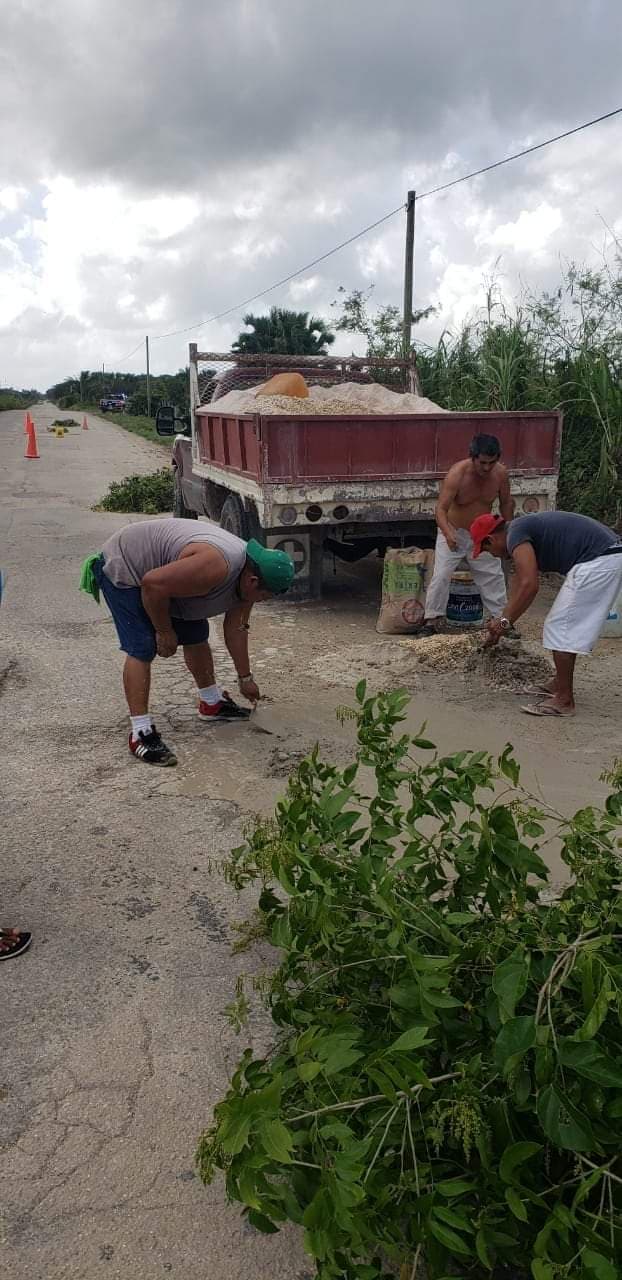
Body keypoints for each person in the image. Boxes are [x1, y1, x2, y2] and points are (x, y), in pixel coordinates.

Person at [80, 519, 294, 765]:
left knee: (196, 632)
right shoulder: (216, 565)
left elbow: (236, 629)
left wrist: (245, 679)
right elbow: (153, 584)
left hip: (166, 576)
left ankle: (211, 703)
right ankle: (140, 732)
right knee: (142, 645)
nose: (263, 601)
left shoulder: (251, 572)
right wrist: (164, 631)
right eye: (265, 596)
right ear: (253, 582)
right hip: (127, 566)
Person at [470, 509, 622, 717]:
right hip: (606, 554)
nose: (494, 555)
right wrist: (503, 620)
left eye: (487, 550)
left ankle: (564, 700)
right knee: (564, 624)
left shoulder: (516, 533)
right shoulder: (519, 530)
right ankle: (559, 685)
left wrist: (504, 623)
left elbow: (530, 585)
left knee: (560, 626)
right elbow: (520, 582)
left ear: (490, 538)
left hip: (599, 559)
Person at [422, 434, 514, 631]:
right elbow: (440, 509)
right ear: (473, 457)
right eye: (482, 462)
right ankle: (431, 620)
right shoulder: (458, 474)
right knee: (441, 576)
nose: (487, 467)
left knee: (492, 576)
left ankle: (502, 621)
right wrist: (447, 533)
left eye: (492, 462)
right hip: (454, 531)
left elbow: (506, 503)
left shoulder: (500, 474)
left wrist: (508, 533)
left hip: (484, 534)